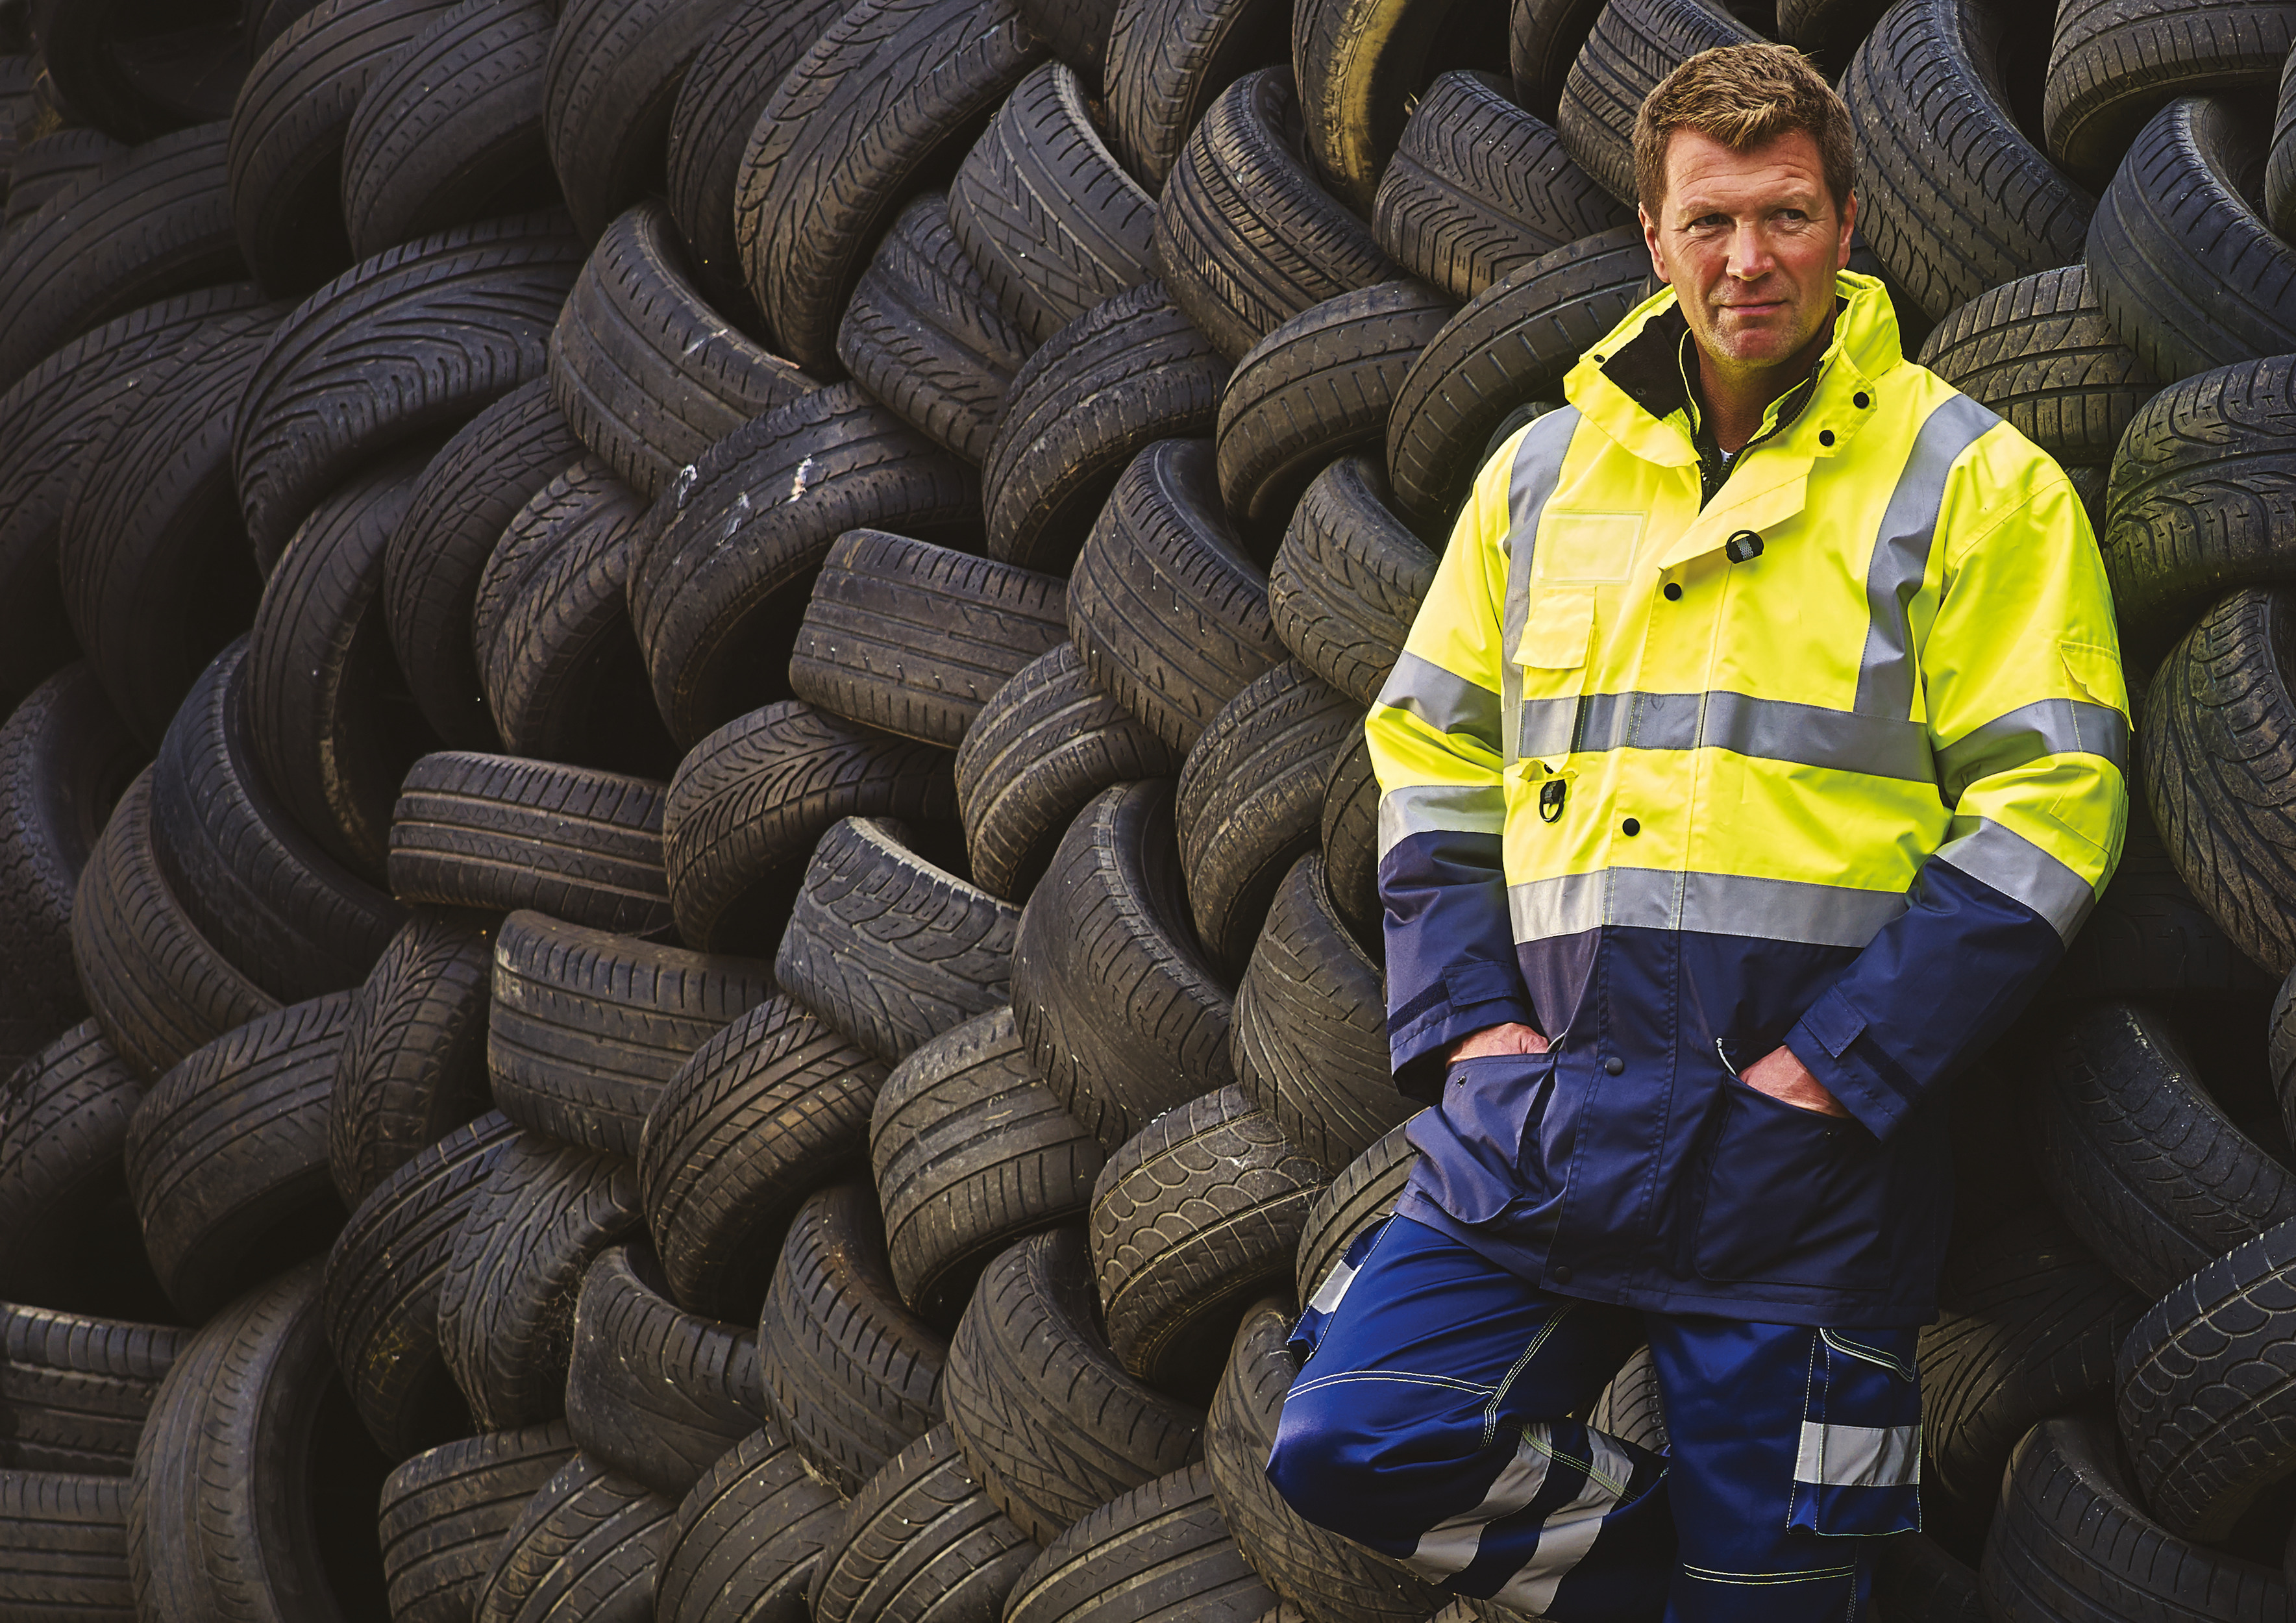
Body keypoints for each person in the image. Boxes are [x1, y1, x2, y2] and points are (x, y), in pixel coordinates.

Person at [1263, 41, 2128, 1622]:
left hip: (1798, 1173)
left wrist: (1832, 1075)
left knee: (1773, 1597)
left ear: (1848, 225)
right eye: (1712, 222)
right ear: (1652, 240)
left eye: (1786, 216)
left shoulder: (1970, 485)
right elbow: (1428, 750)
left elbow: (2050, 805)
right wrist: (1465, 1029)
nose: (1749, 260)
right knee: (1347, 1433)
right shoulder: (1535, 480)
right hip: (1536, 1131)